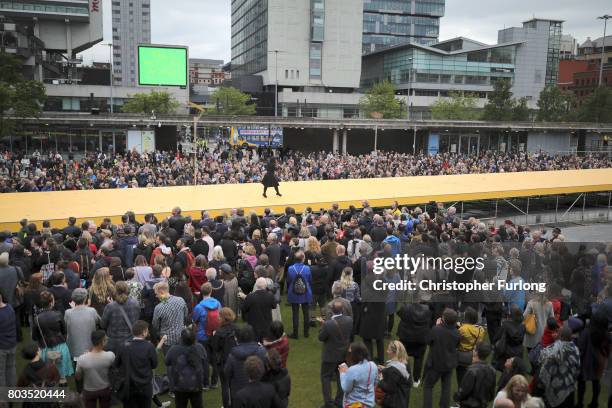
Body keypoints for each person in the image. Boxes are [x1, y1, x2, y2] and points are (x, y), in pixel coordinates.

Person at [31, 291, 74, 384]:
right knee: (62, 377)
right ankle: (63, 397)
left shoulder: (37, 318)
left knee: (49, 376)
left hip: (45, 349)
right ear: (51, 302)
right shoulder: (58, 314)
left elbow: (34, 337)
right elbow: (64, 331)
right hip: (61, 347)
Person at [422, 308, 460, 408]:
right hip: (449, 363)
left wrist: (437, 325)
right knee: (446, 387)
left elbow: (428, 341)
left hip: (435, 363)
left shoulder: (437, 329)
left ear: (443, 318)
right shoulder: (457, 332)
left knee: (428, 386)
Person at [319, 300, 353, 408]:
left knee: (326, 377)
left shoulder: (328, 324)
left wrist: (322, 326)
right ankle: (339, 401)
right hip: (343, 356)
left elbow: (321, 337)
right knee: (341, 378)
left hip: (330, 356)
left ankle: (328, 403)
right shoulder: (349, 320)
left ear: (331, 311)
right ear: (342, 310)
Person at [116, 320, 158, 408]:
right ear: (143, 332)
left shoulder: (124, 346)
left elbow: (116, 364)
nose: (148, 332)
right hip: (145, 386)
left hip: (128, 386)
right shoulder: (149, 347)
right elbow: (154, 365)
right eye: (147, 330)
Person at [537, 326, 580, 408]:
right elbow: (577, 369)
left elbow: (545, 370)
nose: (555, 334)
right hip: (569, 388)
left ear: (561, 336)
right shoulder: (575, 349)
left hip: (555, 388)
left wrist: (541, 385)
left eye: (558, 333)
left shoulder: (554, 351)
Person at [225, 324, 268, 404]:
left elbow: (227, 373)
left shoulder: (232, 355)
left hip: (239, 391)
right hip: (256, 391)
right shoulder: (262, 351)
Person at [165, 328, 206, 408]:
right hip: (196, 384)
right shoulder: (199, 347)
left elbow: (167, 362)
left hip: (179, 385)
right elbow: (204, 360)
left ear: (181, 338)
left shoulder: (174, 349)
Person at [396, 294, 432, 387]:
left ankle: (404, 376)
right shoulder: (427, 309)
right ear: (420, 299)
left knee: (403, 357)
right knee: (418, 359)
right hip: (420, 338)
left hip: (406, 337)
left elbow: (399, 313)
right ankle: (416, 380)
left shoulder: (406, 307)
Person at [577, 310, 610, 408]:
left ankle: (580, 404)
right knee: (596, 383)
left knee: (581, 384)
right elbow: (608, 349)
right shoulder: (606, 334)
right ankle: (594, 403)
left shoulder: (586, 332)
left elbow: (581, 349)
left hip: (586, 362)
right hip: (600, 362)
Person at [192, 282, 222, 389]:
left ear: (201, 292)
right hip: (215, 335)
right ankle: (214, 382)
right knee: (214, 358)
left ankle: (205, 383)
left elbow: (195, 320)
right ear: (211, 291)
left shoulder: (198, 307)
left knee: (204, 359)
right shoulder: (218, 303)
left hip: (202, 336)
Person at [75, 330, 115, 408]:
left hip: (89, 390)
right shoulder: (110, 356)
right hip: (105, 389)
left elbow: (78, 377)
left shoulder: (82, 358)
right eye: (106, 339)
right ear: (102, 341)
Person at [100, 281, 140, 355]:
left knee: (114, 363)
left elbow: (103, 324)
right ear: (127, 290)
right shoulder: (135, 303)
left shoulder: (110, 306)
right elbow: (136, 319)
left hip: (113, 341)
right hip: (129, 339)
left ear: (115, 291)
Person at [454, 342, 496, 408]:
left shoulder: (471, 371)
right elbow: (491, 393)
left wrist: (456, 396)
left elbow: (463, 392)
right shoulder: (492, 370)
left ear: (476, 352)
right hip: (483, 404)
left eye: (474, 349)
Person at [152, 281, 188, 354]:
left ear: (161, 292)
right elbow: (185, 315)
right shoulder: (180, 300)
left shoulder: (158, 308)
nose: (156, 296)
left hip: (167, 341)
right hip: (181, 337)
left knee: (169, 363)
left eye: (156, 294)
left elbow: (155, 325)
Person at [64, 288, 101, 361]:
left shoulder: (68, 312)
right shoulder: (92, 311)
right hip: (90, 349)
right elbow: (100, 322)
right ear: (85, 298)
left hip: (74, 349)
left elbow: (66, 326)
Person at [339, 341, 377, 408]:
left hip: (354, 404)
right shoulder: (373, 365)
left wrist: (343, 373)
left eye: (350, 352)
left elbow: (346, 388)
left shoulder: (352, 370)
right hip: (369, 403)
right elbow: (375, 383)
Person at [378, 340, 412, 408]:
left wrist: (380, 379)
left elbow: (389, 388)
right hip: (403, 399)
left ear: (394, 353)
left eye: (389, 350)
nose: (387, 351)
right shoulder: (405, 363)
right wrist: (385, 369)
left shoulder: (393, 370)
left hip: (394, 403)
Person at [241, 277, 277, 341]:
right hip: (266, 324)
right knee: (265, 344)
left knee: (255, 343)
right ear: (265, 286)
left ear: (256, 285)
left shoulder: (250, 296)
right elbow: (274, 306)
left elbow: (244, 309)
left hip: (254, 325)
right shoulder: (270, 296)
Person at [286, 250, 312, 339]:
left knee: (295, 313)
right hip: (305, 292)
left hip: (293, 292)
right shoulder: (307, 268)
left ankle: (295, 333)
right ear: (303, 259)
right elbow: (309, 280)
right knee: (306, 312)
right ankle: (306, 333)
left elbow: (288, 281)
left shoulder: (290, 268)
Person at [457, 306, 485, 385]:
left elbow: (456, 339)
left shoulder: (462, 329)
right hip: (473, 355)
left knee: (460, 378)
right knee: (470, 377)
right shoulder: (481, 330)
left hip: (461, 356)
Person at [0, 290, 17, 388]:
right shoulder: (10, 308)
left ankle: (3, 399)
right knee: (11, 368)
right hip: (12, 344)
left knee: (1, 373)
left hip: (1, 347)